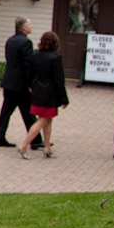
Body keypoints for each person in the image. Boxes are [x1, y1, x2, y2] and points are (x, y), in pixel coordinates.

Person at [18, 32, 69, 160]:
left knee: (47, 119)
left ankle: (47, 147)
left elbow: (29, 73)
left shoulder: (34, 55)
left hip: (37, 89)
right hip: (49, 93)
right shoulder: (55, 58)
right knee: (44, 120)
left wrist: (30, 86)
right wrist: (64, 98)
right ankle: (23, 145)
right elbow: (59, 80)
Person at [0, 18, 41, 149]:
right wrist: (31, 84)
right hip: (20, 84)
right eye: (30, 24)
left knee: (6, 112)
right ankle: (35, 140)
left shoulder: (10, 40)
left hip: (9, 81)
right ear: (24, 27)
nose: (32, 26)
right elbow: (27, 65)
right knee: (28, 112)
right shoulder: (26, 42)